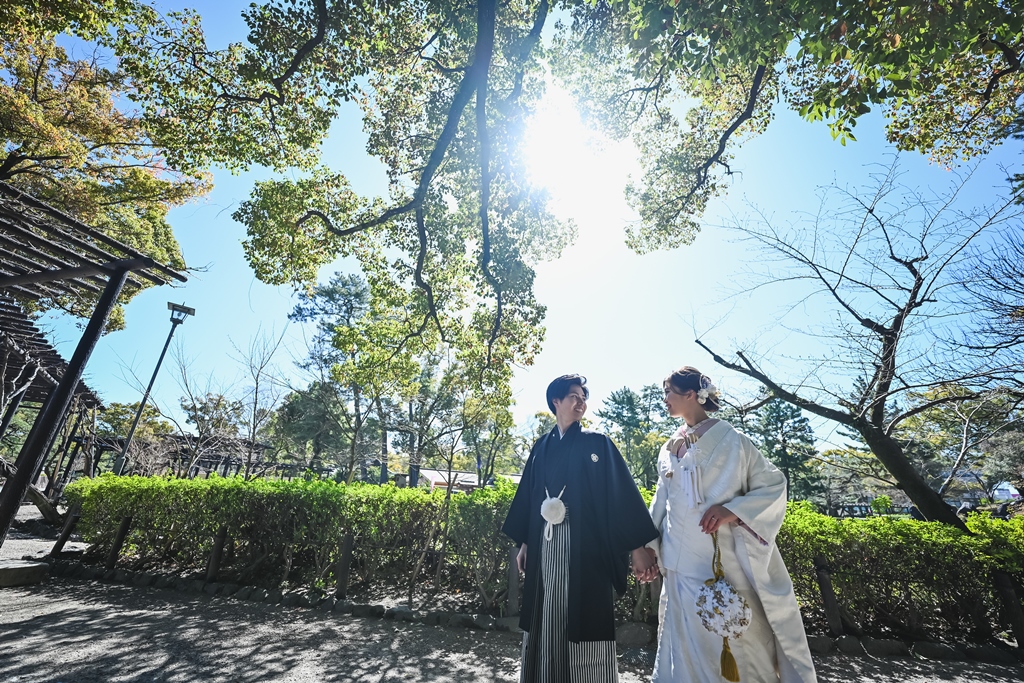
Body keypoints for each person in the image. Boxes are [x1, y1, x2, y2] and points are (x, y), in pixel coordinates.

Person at [645, 366, 816, 683]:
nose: (664, 399)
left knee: (736, 639)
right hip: (678, 567)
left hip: (721, 565)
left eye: (669, 391)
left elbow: (774, 486)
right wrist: (647, 546)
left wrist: (733, 510)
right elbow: (661, 503)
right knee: (678, 647)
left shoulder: (735, 441)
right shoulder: (669, 447)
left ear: (691, 395)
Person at [503, 374, 660, 683]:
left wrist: (638, 546)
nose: (581, 401)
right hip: (545, 542)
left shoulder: (597, 444)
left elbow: (620, 496)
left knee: (583, 615)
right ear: (556, 401)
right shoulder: (540, 448)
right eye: (574, 396)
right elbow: (531, 496)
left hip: (585, 546)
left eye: (583, 397)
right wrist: (525, 544)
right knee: (546, 609)